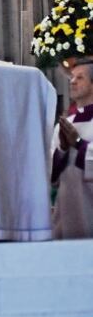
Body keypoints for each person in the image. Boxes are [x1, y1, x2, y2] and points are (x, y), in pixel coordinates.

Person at [52, 59, 93, 239]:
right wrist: (62, 149)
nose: (72, 81)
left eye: (80, 77)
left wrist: (77, 142)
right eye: (72, 77)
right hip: (67, 210)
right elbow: (51, 176)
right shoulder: (65, 124)